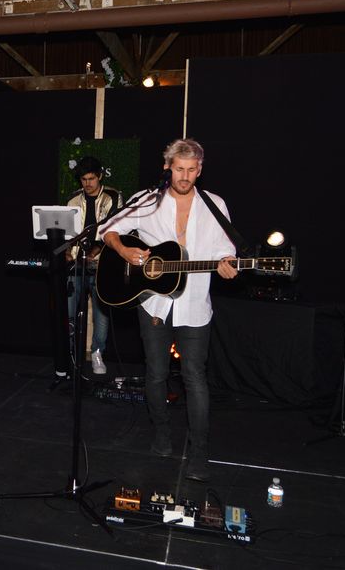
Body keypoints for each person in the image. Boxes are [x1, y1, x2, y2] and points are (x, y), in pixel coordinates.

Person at [101, 139, 238, 482]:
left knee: (195, 377)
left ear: (200, 170)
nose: (185, 176)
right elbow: (107, 230)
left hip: (195, 305)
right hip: (153, 303)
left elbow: (227, 250)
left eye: (192, 170)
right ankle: (162, 436)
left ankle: (199, 452)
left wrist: (227, 264)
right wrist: (123, 252)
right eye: (179, 169)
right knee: (156, 373)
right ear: (167, 167)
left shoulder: (215, 204)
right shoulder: (147, 200)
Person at [66, 156, 123, 375]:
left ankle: (97, 352)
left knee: (101, 314)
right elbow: (67, 232)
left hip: (102, 266)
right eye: (83, 179)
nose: (88, 183)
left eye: (91, 178)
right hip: (76, 265)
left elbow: (114, 229)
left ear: (100, 176)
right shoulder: (73, 200)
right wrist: (68, 254)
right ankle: (71, 354)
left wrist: (94, 252)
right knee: (70, 312)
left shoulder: (112, 197)